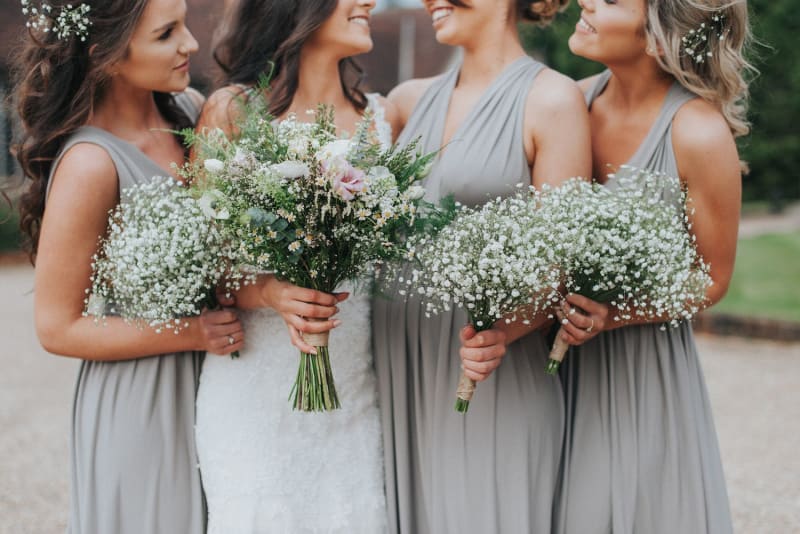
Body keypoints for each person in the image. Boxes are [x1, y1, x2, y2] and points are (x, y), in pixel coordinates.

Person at [473, 0, 750, 532]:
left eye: (612, 1)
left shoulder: (697, 133)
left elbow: (712, 279)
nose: (586, 3)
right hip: (545, 373)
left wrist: (614, 314)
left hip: (640, 374)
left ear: (656, 36)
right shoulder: (568, 103)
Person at [11, 0, 243, 532]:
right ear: (105, 55)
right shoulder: (91, 164)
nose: (190, 43)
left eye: (184, 23)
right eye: (167, 34)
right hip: (142, 403)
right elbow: (56, 327)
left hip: (224, 387)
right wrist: (193, 333)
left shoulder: (189, 111)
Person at [372, 0, 592, 532]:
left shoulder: (552, 100)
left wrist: (505, 330)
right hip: (398, 362)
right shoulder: (405, 101)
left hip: (490, 368)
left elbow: (559, 265)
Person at [193, 1, 397, 531]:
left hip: (352, 394)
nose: (369, 2)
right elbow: (203, 266)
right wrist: (270, 293)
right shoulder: (233, 111)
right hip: (254, 398)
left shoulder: (383, 118)